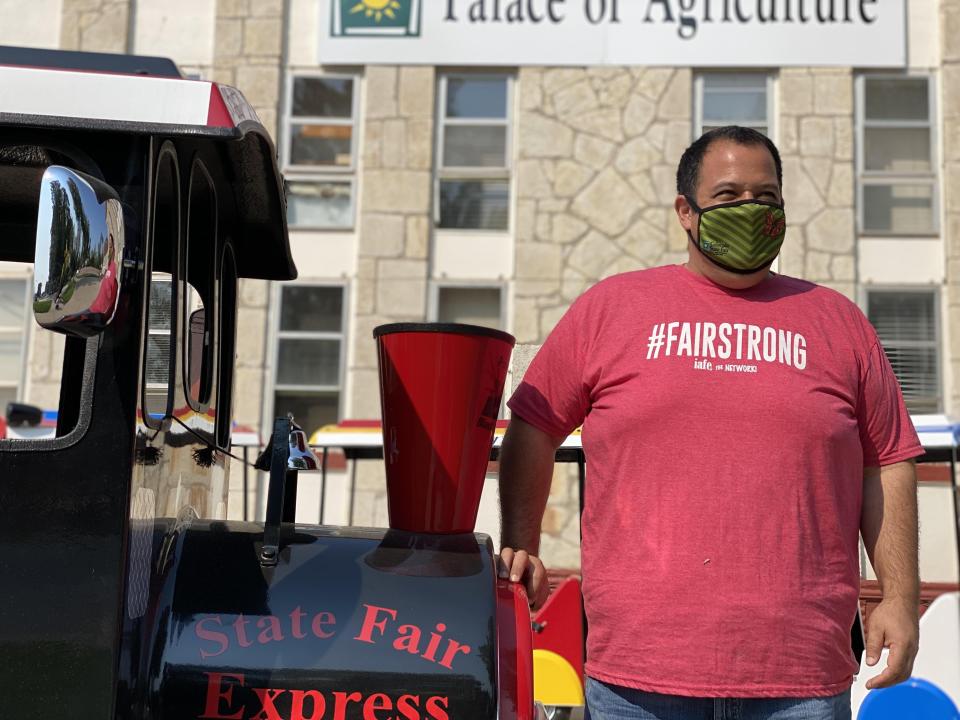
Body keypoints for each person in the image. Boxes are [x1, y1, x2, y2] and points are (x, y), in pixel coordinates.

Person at [497, 126, 922, 720]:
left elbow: (888, 462)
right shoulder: (612, 308)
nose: (750, 211)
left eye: (766, 197)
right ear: (686, 212)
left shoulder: (839, 322)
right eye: (728, 196)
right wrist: (522, 542)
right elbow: (533, 424)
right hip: (637, 676)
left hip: (800, 676)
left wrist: (899, 597)